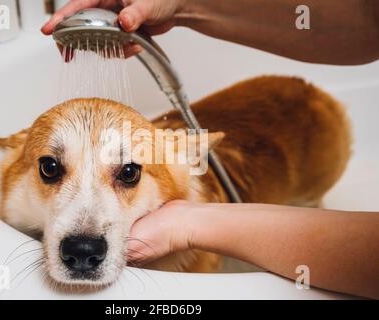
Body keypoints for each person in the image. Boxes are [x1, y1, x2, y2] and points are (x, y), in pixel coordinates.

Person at [42, 1, 379, 299]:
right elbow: (368, 16)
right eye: (52, 170)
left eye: (128, 174)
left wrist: (188, 225)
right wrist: (181, 4)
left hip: (318, 128)